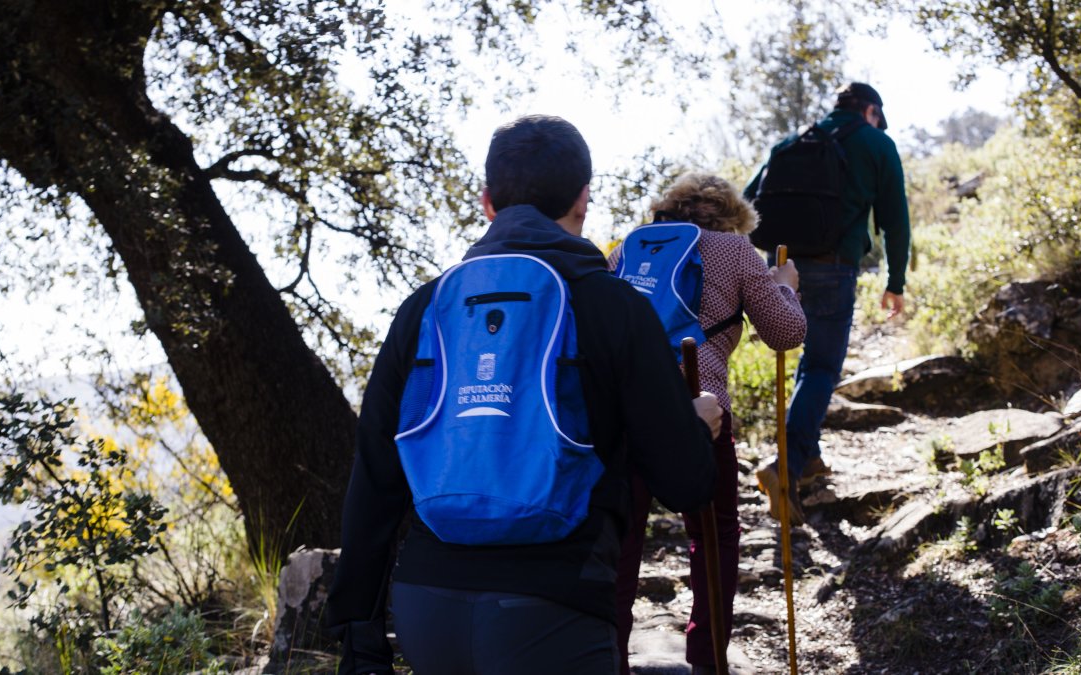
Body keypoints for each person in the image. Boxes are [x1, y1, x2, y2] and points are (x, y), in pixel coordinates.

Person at [323, 114, 723, 675]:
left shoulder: (423, 309)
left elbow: (375, 477)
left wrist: (358, 635)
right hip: (556, 612)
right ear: (584, 199)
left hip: (426, 608)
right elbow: (684, 482)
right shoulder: (615, 307)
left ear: (488, 202)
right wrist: (695, 423)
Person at [609, 173, 806, 675]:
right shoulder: (734, 251)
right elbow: (785, 333)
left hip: (622, 412)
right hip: (701, 407)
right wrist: (785, 287)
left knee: (623, 536)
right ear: (732, 217)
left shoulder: (626, 252)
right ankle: (707, 660)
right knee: (714, 534)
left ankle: (609, 661)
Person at [743, 82, 911, 524]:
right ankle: (786, 467)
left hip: (779, 268)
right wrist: (895, 282)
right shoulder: (877, 144)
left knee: (808, 363)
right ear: (870, 111)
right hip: (833, 267)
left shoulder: (791, 142)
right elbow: (895, 220)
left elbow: (744, 200)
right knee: (821, 367)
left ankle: (809, 457)